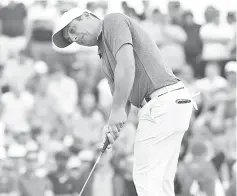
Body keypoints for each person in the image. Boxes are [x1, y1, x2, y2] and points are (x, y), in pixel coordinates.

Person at [52, 8, 195, 196]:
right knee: (161, 181)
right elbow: (122, 98)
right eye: (71, 40)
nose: (75, 39)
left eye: (72, 30)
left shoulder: (111, 21)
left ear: (87, 15)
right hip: (171, 102)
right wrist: (111, 127)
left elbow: (127, 65)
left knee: (146, 177)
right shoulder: (103, 54)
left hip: (161, 102)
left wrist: (117, 110)